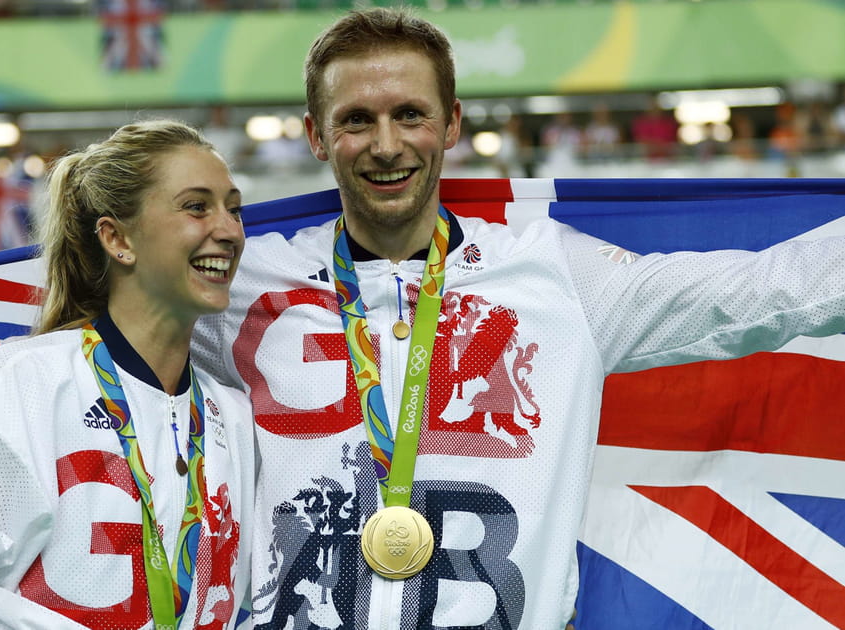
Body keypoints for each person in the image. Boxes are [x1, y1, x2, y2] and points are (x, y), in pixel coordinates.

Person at [190, 8, 845, 630]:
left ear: (450, 124)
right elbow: (104, 299)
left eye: (409, 114)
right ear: (315, 135)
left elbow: (756, 293)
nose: (386, 145)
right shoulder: (237, 284)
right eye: (356, 120)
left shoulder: (552, 274)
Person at [0, 119, 254, 629]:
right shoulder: (25, 380)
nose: (229, 229)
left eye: (234, 208)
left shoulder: (233, 416)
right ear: (117, 238)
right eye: (197, 206)